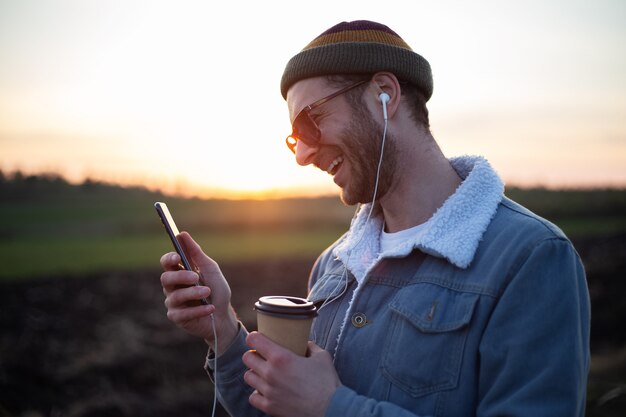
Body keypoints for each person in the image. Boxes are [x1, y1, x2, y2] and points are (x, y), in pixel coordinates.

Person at [159, 20, 590, 417]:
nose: (304, 155)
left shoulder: (529, 258)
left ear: (384, 93)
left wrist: (333, 407)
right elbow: (286, 407)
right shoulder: (333, 265)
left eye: (312, 122)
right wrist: (223, 328)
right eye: (295, 139)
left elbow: (318, 405)